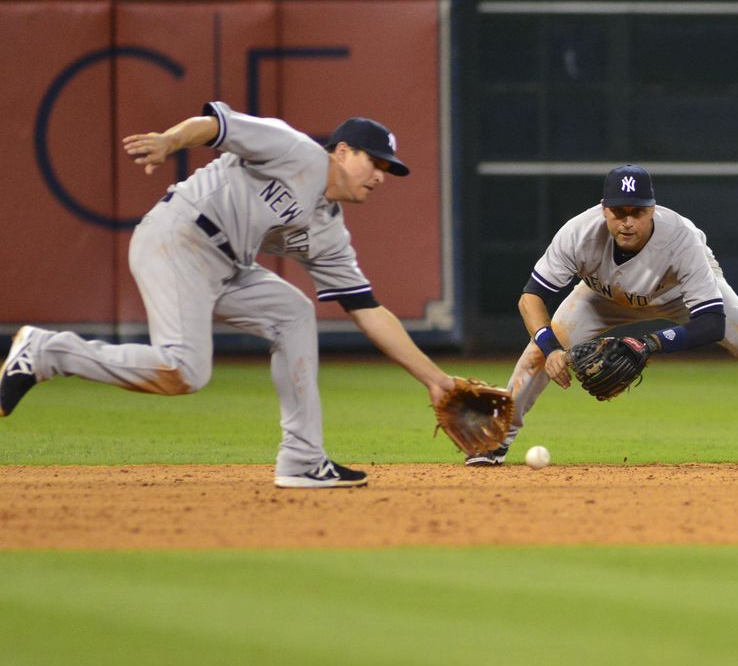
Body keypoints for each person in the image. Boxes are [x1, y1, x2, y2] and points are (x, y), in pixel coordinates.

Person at [0, 102, 455, 488]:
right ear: (341, 151)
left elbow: (368, 310)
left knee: (293, 312)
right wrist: (169, 141)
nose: (380, 175)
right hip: (179, 236)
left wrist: (436, 380)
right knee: (183, 371)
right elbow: (217, 125)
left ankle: (301, 458)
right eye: (374, 162)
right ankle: (46, 353)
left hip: (225, 265)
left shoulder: (328, 230)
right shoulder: (294, 150)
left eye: (388, 169)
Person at [466, 164, 738, 468]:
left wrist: (648, 343)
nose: (627, 221)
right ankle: (497, 438)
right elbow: (531, 297)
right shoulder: (578, 233)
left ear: (651, 210)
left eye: (636, 212)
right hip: (601, 296)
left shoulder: (680, 238)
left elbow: (711, 323)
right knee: (539, 348)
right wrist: (550, 346)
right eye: (618, 211)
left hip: (676, 294)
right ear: (604, 210)